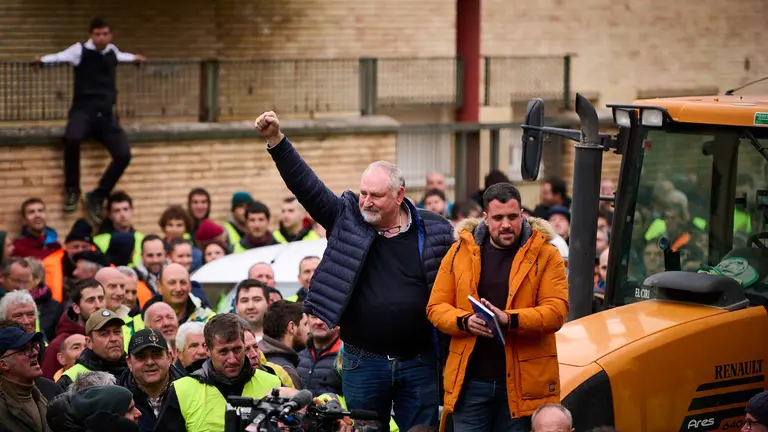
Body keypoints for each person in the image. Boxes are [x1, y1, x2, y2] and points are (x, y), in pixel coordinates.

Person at [256, 111, 454, 430]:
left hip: (419, 362)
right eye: (363, 192)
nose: (367, 201)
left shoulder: (434, 229)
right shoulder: (347, 219)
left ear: (399, 195)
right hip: (364, 362)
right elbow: (308, 187)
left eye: (376, 195)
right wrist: (277, 141)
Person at [427, 183, 569, 431]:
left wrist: (510, 319)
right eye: (498, 218)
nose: (506, 224)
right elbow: (436, 307)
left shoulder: (547, 254)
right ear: (485, 218)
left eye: (513, 217)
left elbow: (556, 312)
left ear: (522, 214)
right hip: (470, 384)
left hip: (523, 386)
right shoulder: (459, 252)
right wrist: (464, 321)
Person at [33, 17, 145, 223]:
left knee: (124, 155)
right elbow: (60, 57)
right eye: (97, 34)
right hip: (83, 112)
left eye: (104, 34)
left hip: (106, 116)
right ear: (91, 35)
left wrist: (135, 58)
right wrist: (42, 61)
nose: (101, 38)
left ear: (110, 35)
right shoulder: (79, 51)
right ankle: (72, 190)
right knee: (72, 139)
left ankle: (98, 195)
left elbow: (121, 57)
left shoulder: (112, 51)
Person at [154, 313, 291, 432]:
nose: (232, 359)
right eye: (223, 351)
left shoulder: (272, 383)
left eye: (237, 349)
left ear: (244, 345)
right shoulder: (182, 390)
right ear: (207, 350)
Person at [118, 328, 185, 432]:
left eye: (156, 354)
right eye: (141, 357)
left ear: (170, 357)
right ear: (129, 362)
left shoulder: (190, 392)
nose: (150, 362)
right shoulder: (117, 402)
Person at [56, 308, 128, 389]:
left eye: (117, 332)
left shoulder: (134, 367)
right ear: (89, 342)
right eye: (104, 334)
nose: (113, 339)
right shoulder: (72, 378)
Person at [0, 326, 50, 432]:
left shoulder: (48, 391)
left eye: (33, 347)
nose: (35, 353)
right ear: (3, 364)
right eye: (24, 350)